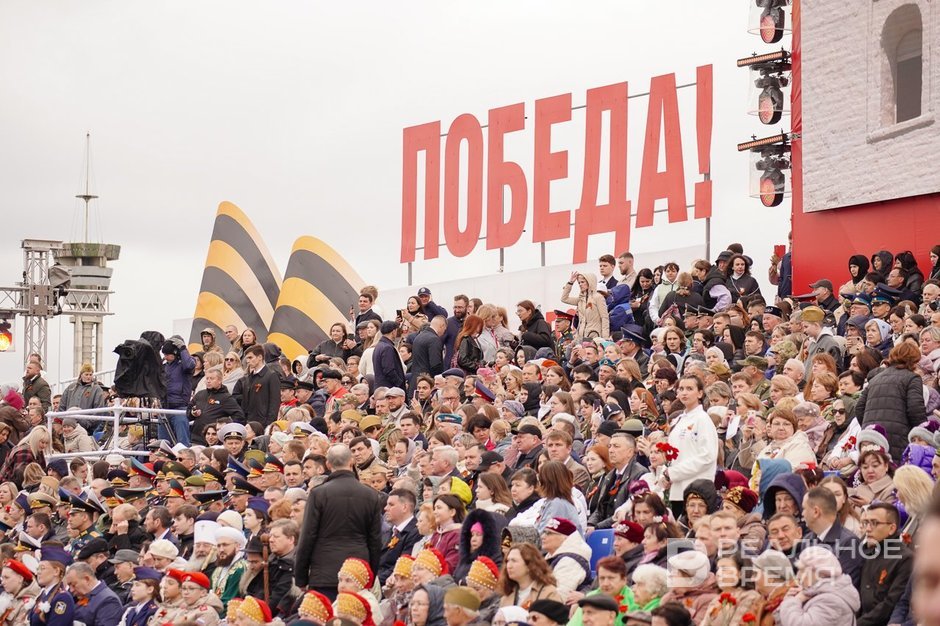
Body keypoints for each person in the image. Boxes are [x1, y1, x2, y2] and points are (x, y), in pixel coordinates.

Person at [295, 444, 384, 600]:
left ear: (328, 464)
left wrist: (301, 577)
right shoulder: (370, 495)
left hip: (324, 571)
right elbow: (375, 540)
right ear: (351, 461)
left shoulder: (318, 493)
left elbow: (308, 536)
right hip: (357, 571)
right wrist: (370, 575)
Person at [856, 341, 927, 459]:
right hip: (898, 437)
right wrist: (923, 434)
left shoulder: (876, 379)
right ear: (913, 360)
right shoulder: (912, 378)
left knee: (874, 467)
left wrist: (868, 426)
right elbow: (915, 409)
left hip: (871, 436)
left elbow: (859, 408)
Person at [666, 376, 718, 515]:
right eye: (681, 389)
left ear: (700, 393)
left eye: (689, 389)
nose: (684, 393)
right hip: (677, 489)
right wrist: (666, 474)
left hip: (696, 491)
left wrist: (673, 473)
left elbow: (707, 456)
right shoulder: (679, 419)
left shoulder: (703, 419)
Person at [776, 546, 860, 626]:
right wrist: (789, 599)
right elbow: (779, 620)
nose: (798, 576)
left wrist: (792, 601)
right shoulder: (812, 594)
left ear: (818, 574)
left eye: (802, 571)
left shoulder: (831, 601)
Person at [801, 486, 861, 587]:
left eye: (804, 508)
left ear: (816, 512)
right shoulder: (807, 540)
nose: (802, 513)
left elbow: (842, 586)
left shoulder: (849, 543)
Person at [497, 543, 561, 609]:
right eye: (507, 561)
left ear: (529, 565)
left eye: (514, 561)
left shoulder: (548, 593)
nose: (509, 566)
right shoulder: (506, 597)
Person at [233, 344, 281, 428]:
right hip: (248, 421)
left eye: (250, 357)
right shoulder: (248, 378)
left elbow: (274, 403)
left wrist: (269, 424)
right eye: (247, 358)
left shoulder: (271, 375)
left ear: (260, 357)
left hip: (262, 423)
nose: (248, 361)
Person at [65, 562, 123, 626]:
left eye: (73, 585)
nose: (71, 590)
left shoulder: (109, 600)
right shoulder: (83, 596)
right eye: (69, 586)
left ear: (87, 579)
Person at [29, 545, 74, 626]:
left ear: (56, 571)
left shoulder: (63, 598)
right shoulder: (43, 594)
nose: (38, 572)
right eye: (38, 569)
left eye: (42, 568)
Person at [562, 272, 610, 340]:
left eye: (582, 282)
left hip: (595, 336)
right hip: (581, 338)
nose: (580, 284)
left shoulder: (598, 297)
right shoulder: (581, 299)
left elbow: (604, 318)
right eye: (579, 283)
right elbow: (564, 299)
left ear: (590, 282)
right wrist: (570, 283)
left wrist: (605, 338)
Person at [0, 557, 40, 626]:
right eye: (2, 578)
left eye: (6, 577)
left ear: (20, 578)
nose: (2, 582)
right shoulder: (8, 596)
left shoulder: (28, 604)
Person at [374, 320, 407, 390]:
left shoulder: (379, 346)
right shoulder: (387, 347)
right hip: (389, 388)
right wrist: (400, 383)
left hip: (381, 387)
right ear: (393, 331)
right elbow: (389, 370)